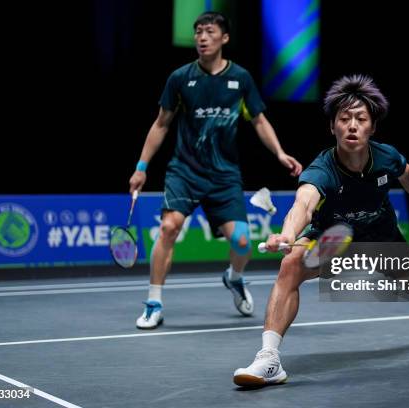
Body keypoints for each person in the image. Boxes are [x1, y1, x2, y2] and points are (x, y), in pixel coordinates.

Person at [233, 74, 409, 386]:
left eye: (360, 119)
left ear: (372, 127)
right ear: (332, 126)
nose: (352, 125)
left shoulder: (385, 156)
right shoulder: (322, 169)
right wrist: (288, 235)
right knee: (290, 264)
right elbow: (303, 204)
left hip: (381, 236)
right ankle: (268, 359)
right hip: (332, 240)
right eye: (344, 118)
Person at [129, 12, 302, 329]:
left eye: (209, 31)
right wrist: (142, 167)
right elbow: (161, 124)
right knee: (169, 228)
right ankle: (154, 302)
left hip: (224, 175)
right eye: (197, 32)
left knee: (241, 243)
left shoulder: (241, 79)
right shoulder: (181, 78)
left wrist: (279, 153)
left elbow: (259, 121)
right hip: (185, 171)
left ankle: (234, 277)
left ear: (224, 38)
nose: (201, 37)